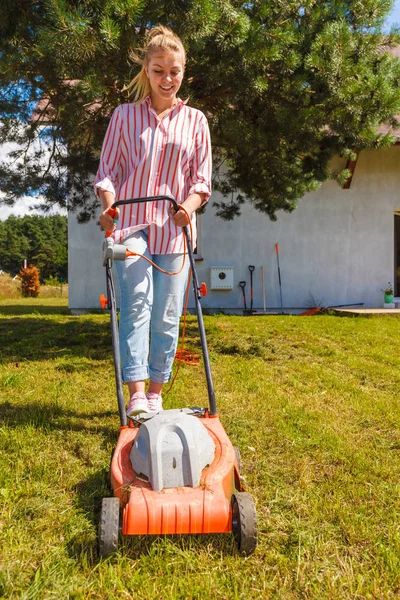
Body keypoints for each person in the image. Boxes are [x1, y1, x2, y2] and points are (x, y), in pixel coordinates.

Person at [95, 26, 212, 416]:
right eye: (159, 70)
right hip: (131, 224)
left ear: (183, 73)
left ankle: (157, 393)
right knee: (136, 305)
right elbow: (107, 172)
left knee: (166, 314)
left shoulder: (196, 121)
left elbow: (201, 179)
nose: (167, 78)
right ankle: (136, 395)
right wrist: (110, 206)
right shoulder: (124, 116)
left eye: (174, 71)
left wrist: (190, 205)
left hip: (174, 229)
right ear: (146, 70)